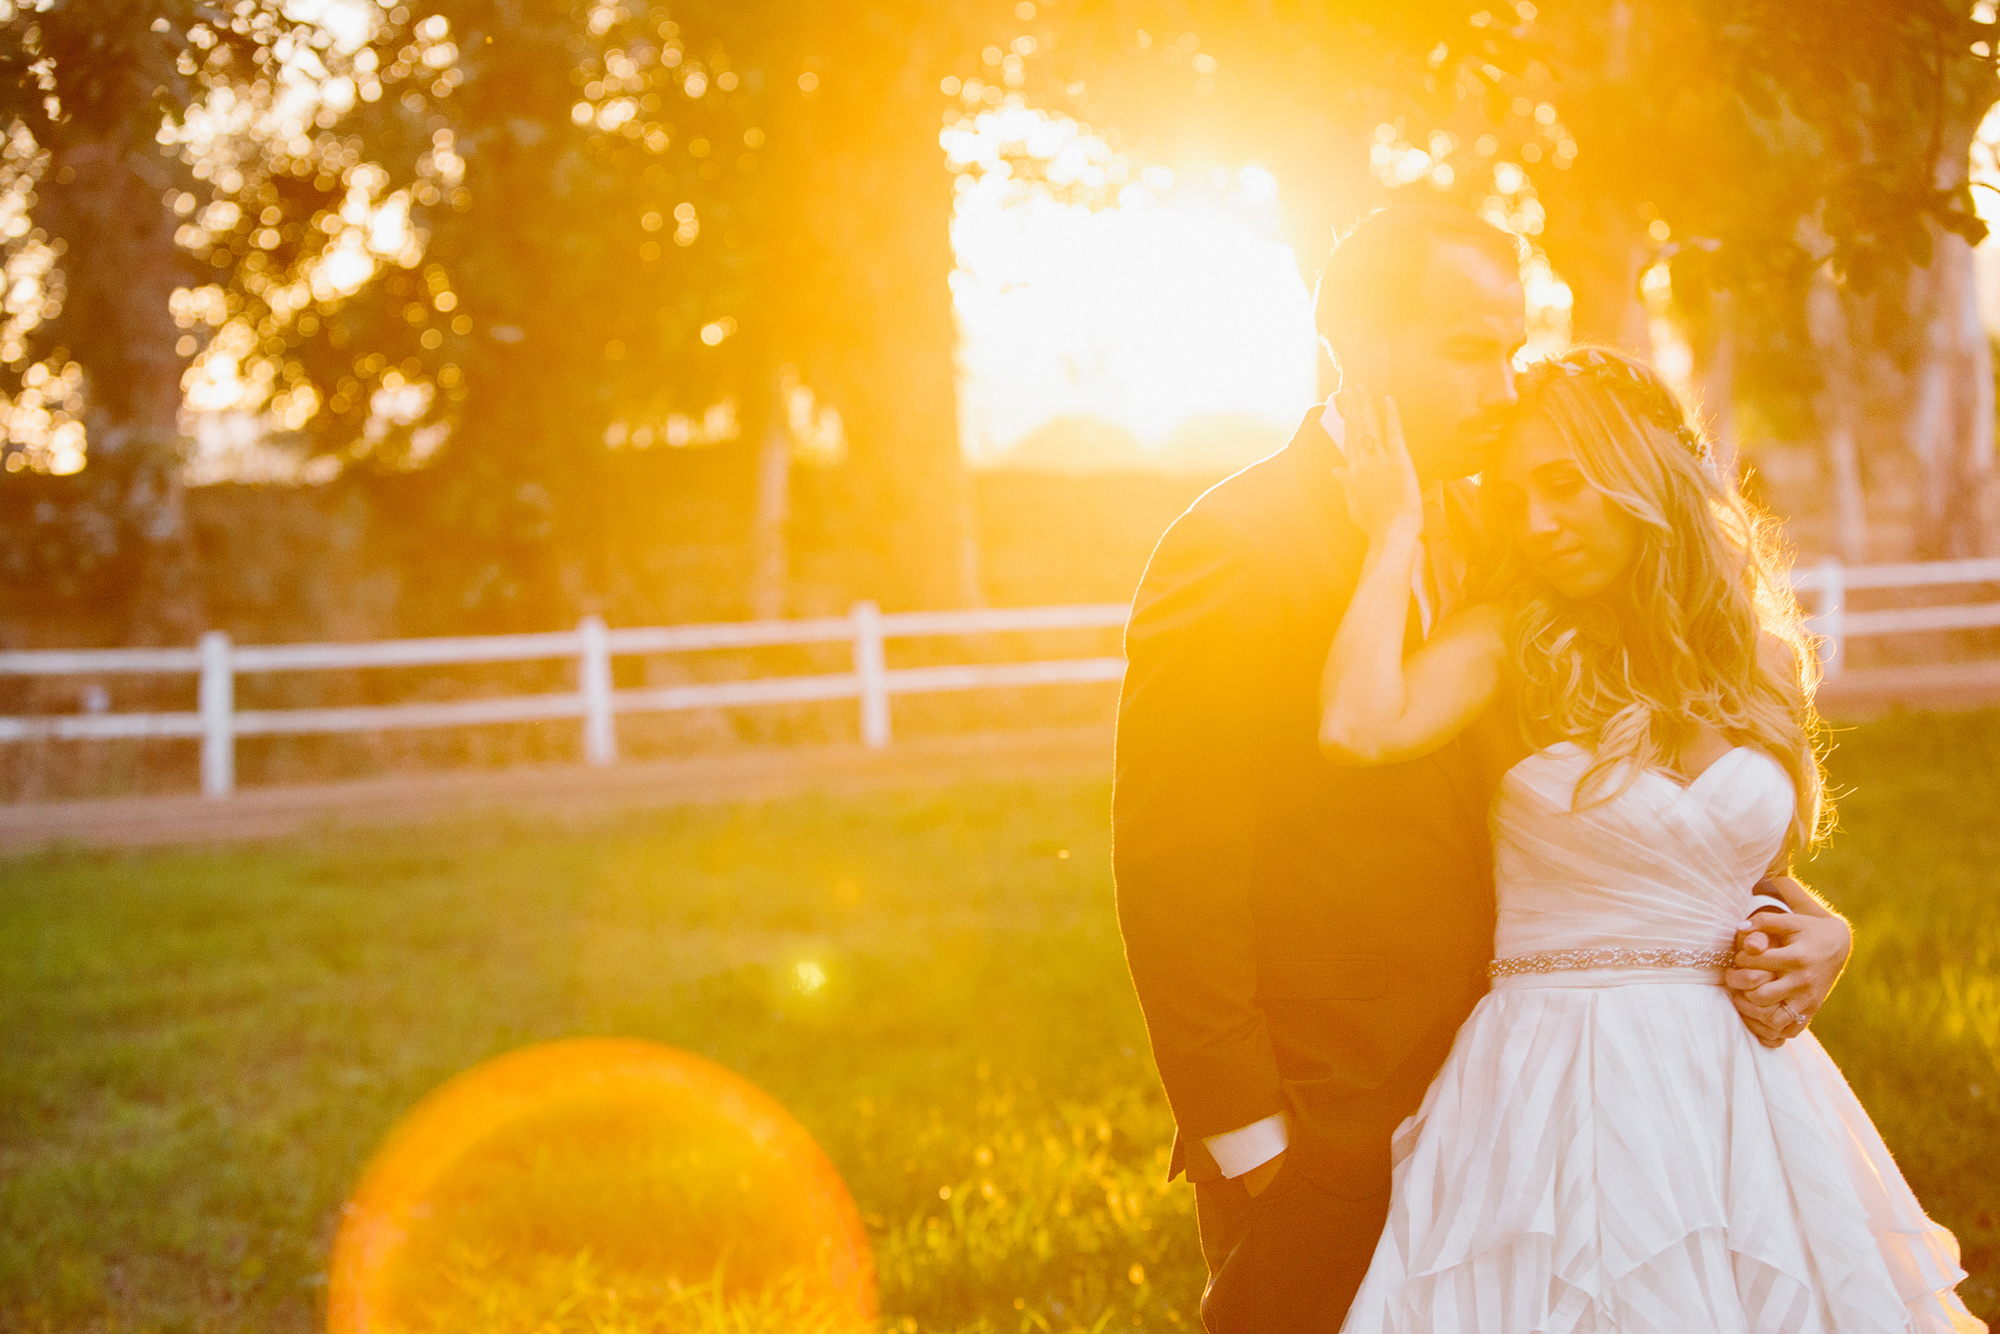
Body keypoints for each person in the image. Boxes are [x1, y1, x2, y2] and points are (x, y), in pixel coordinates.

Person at [1111, 203, 1855, 1334]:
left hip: (1536, 1111)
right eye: (1467, 349)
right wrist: (1256, 1145)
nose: (1501, 385)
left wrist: (1810, 920)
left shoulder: (1503, 525)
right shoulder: (1237, 544)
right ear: (1362, 349)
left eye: (1510, 348)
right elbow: (1173, 872)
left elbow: (1611, 789)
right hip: (1332, 1125)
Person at [1320, 345, 1984, 1332]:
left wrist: (1828, 933)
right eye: (1515, 500)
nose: (1538, 523)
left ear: (1642, 474)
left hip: (1738, 1084)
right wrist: (1395, 533)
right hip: (1554, 1076)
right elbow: (1358, 722)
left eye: (1563, 485)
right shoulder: (1508, 641)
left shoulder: (1754, 657)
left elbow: (1738, 874)